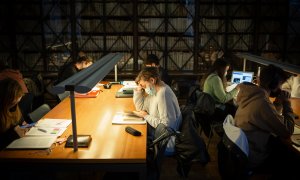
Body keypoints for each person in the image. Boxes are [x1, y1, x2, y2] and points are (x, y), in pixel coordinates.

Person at [234, 64, 298, 178]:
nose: (280, 88)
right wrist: (287, 104)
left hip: (243, 151)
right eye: (280, 84)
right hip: (254, 156)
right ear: (272, 84)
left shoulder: (251, 95)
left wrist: (278, 103)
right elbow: (287, 130)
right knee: (292, 157)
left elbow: (269, 117)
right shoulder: (262, 102)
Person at [132, 67, 182, 155]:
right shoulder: (153, 91)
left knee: (135, 147)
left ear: (152, 80)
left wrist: (146, 116)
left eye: (144, 86)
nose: (144, 89)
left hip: (165, 141)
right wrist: (138, 91)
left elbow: (166, 127)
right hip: (156, 132)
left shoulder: (163, 94)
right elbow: (141, 108)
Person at [0, 78, 29, 149]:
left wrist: (25, 126)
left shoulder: (14, 107)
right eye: (13, 103)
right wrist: (13, 135)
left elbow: (21, 123)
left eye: (17, 102)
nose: (15, 107)